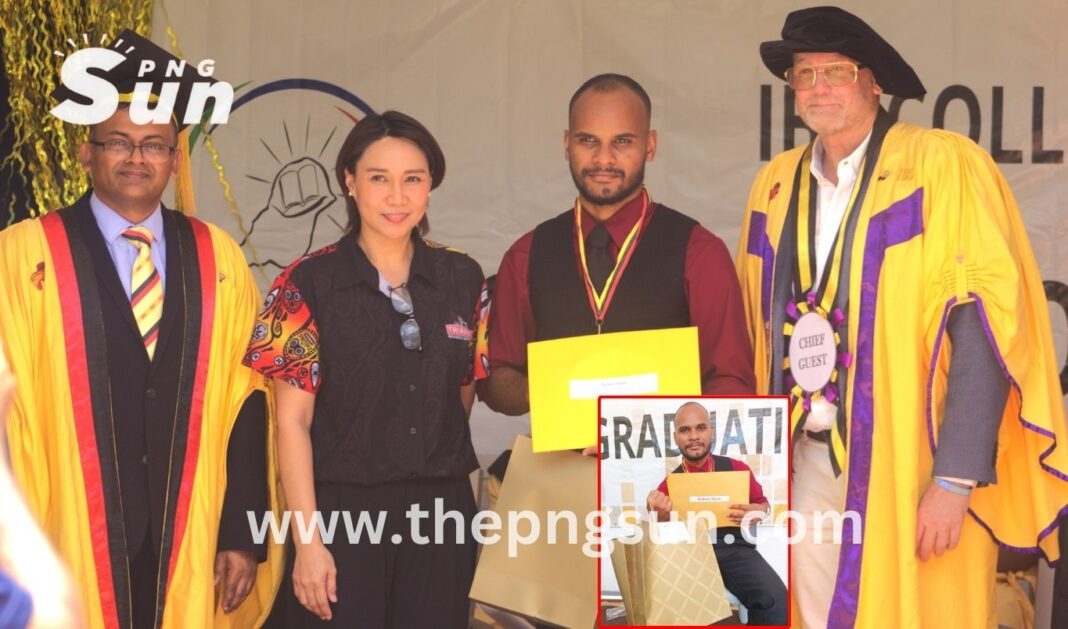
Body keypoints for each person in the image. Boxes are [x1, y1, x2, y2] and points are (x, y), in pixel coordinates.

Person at [737, 7, 1068, 627]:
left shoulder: (942, 166)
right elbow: (748, 325)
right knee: (805, 614)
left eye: (834, 71)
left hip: (911, 462)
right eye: (803, 75)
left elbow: (984, 328)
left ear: (873, 81)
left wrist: (956, 480)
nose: (817, 88)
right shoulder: (776, 184)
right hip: (803, 459)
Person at [0, 30, 280, 628]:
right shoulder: (23, 255)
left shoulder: (218, 258)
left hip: (191, 529)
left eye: (154, 145)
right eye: (118, 142)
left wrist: (242, 532)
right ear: (87, 151)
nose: (136, 158)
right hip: (64, 526)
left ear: (176, 159)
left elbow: (248, 401)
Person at [243, 110, 484, 627]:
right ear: (349, 182)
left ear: (430, 187)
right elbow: (291, 422)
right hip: (342, 516)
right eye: (379, 179)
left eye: (412, 179)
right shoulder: (305, 283)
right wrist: (309, 545)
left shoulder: (463, 277)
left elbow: (462, 391)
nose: (397, 197)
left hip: (441, 517)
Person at [481, 72, 754, 414]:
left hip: (665, 464)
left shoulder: (699, 252)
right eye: (587, 140)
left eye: (622, 141)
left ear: (650, 146)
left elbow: (731, 380)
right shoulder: (526, 255)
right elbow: (496, 378)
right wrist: (543, 388)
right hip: (560, 462)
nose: (603, 159)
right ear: (567, 144)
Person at [645, 401, 786, 625]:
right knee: (680, 610)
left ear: (711, 431)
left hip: (733, 548)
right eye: (685, 430)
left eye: (700, 428)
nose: (693, 436)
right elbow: (660, 534)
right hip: (688, 553)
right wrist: (658, 514)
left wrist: (760, 511)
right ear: (676, 437)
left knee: (776, 600)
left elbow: (763, 505)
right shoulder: (669, 484)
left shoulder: (737, 469)